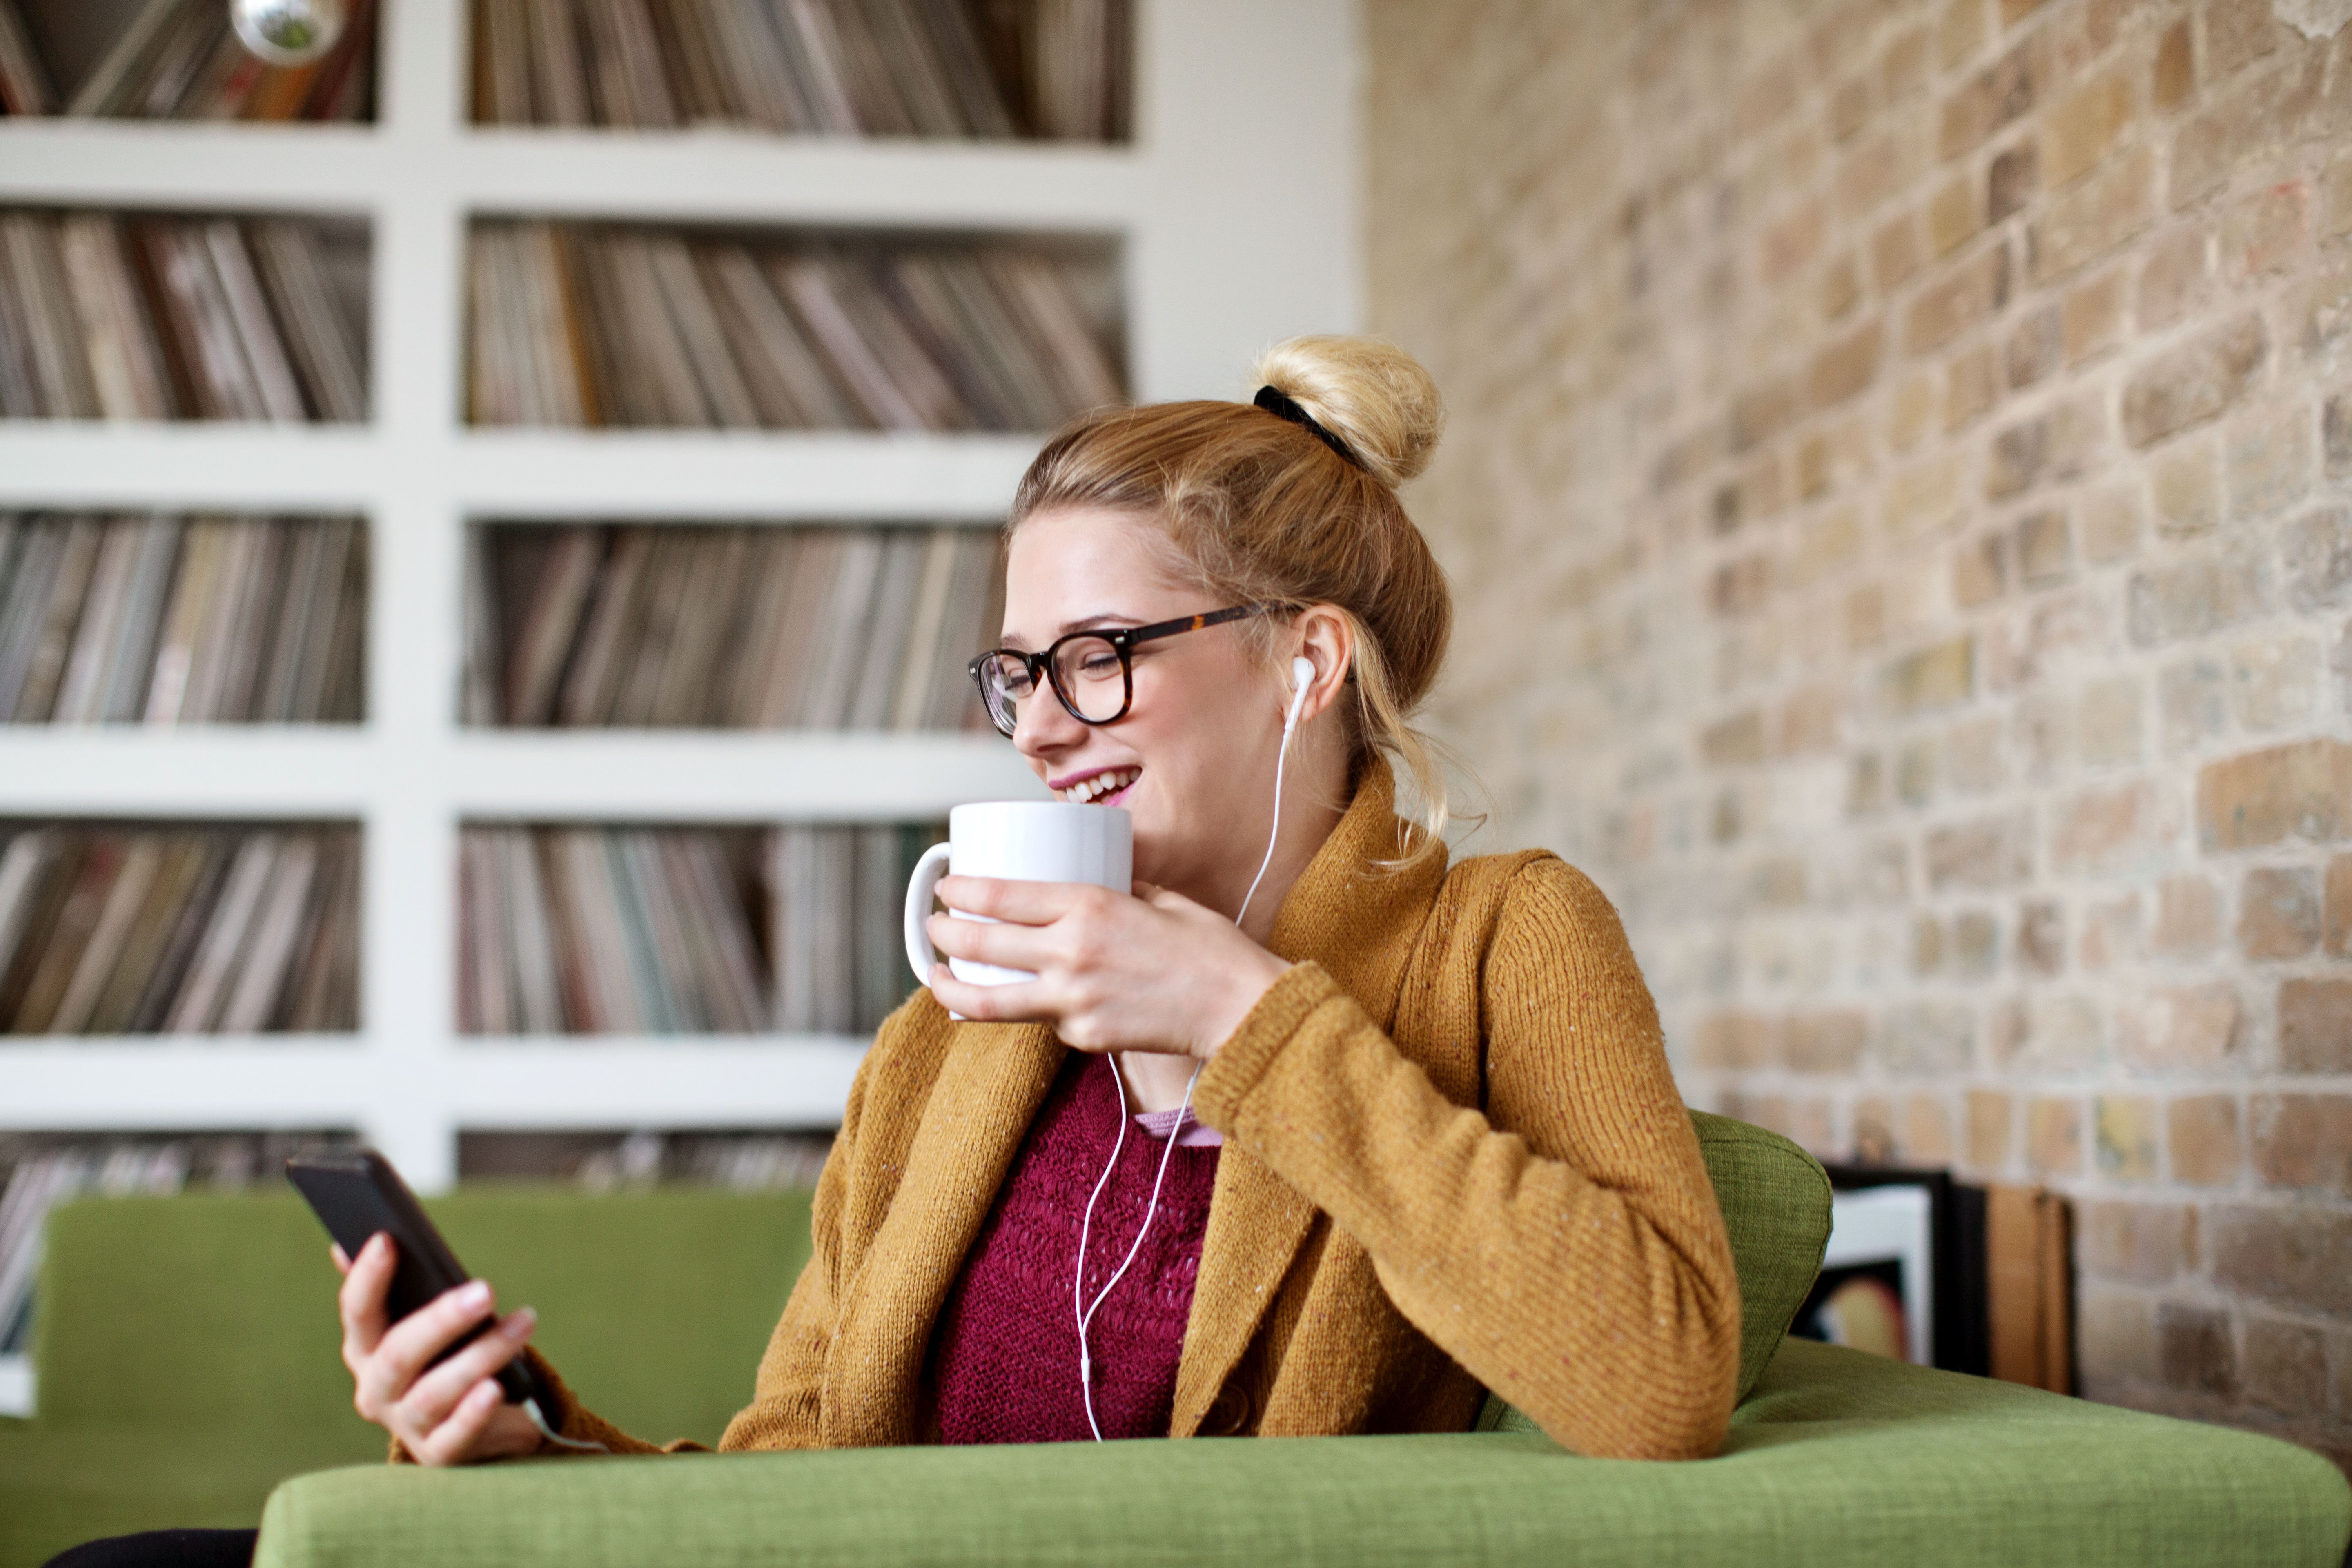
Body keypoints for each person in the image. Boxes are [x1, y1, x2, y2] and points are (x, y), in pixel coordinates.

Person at [47, 336, 1740, 1563]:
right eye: (1017, 673)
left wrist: (1250, 1019)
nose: (1042, 727)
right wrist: (533, 1456)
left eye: (1102, 656)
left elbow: (1662, 1381)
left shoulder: (1507, 942)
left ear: (1306, 664)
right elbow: (795, 1477)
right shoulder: (955, 1043)